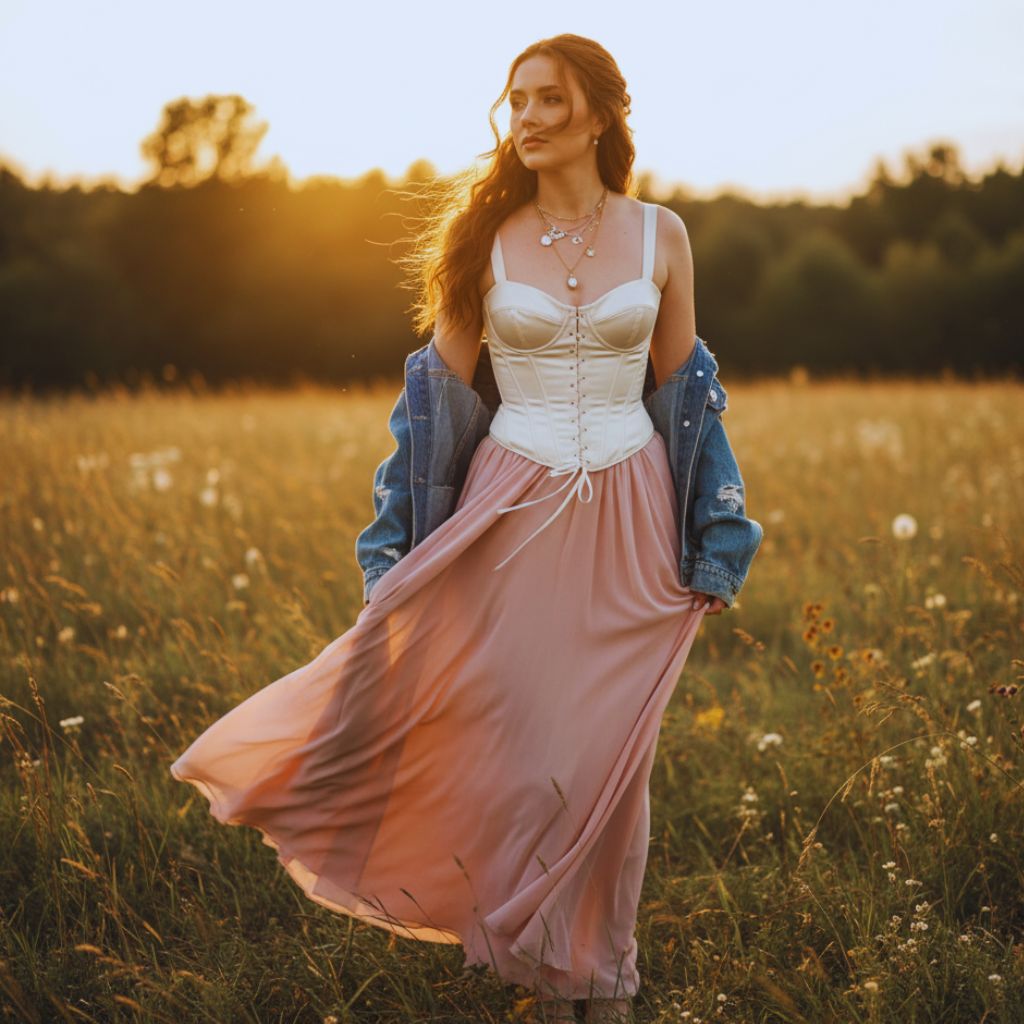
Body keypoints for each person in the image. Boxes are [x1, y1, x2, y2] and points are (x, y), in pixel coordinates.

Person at [170, 33, 762, 1024]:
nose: (525, 118)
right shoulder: (483, 238)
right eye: (516, 101)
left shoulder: (662, 233)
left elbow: (686, 391)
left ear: (601, 115)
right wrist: (397, 546)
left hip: (629, 520)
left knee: (609, 766)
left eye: (547, 100)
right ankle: (548, 965)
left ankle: (603, 983)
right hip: (508, 518)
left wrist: (712, 531)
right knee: (528, 755)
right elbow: (433, 400)